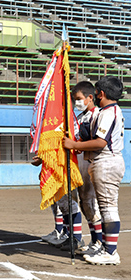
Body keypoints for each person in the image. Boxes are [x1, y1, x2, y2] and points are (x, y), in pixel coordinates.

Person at [63, 76, 125, 265]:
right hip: (101, 161)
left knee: (107, 208)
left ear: (101, 93)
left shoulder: (108, 112)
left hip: (107, 161)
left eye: (97, 92)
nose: (96, 96)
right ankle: (105, 247)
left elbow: (100, 142)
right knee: (103, 207)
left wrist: (73, 144)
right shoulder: (108, 110)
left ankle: (111, 252)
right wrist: (80, 145)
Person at [71, 81, 103, 256]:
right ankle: (94, 240)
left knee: (92, 204)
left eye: (79, 99)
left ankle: (100, 241)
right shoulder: (81, 117)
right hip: (80, 163)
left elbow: (97, 141)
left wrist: (78, 144)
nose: (77, 102)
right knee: (85, 205)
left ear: (90, 97)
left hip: (91, 163)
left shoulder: (98, 115)